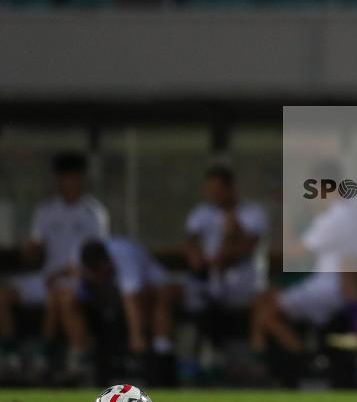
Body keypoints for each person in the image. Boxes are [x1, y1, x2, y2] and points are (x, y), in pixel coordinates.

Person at [251, 161, 357, 362]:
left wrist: (285, 214)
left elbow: (293, 252)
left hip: (329, 289)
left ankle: (306, 362)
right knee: (263, 298)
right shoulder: (356, 206)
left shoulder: (334, 219)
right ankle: (265, 352)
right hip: (342, 286)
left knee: (266, 313)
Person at [25, 152, 109, 380]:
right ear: (58, 179)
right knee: (4, 295)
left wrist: (68, 272)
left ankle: (75, 358)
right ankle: (11, 356)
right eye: (65, 177)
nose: (70, 182)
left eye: (75, 177)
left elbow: (98, 255)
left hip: (80, 279)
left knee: (61, 298)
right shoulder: (45, 211)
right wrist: (32, 251)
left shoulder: (94, 212)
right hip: (48, 278)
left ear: (82, 179)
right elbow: (35, 248)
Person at [181, 165, 268, 340]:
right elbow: (190, 240)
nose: (213, 194)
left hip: (241, 278)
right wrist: (196, 257)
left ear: (231, 188)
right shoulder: (202, 212)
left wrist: (233, 232)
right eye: (209, 190)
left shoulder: (252, 212)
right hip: (207, 276)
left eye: (217, 190)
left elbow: (248, 246)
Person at [78, 237, 178, 385]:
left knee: (160, 298)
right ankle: (82, 357)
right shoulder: (80, 261)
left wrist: (136, 337)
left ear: (106, 262)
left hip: (152, 291)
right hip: (114, 303)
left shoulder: (124, 256)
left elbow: (132, 299)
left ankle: (160, 356)